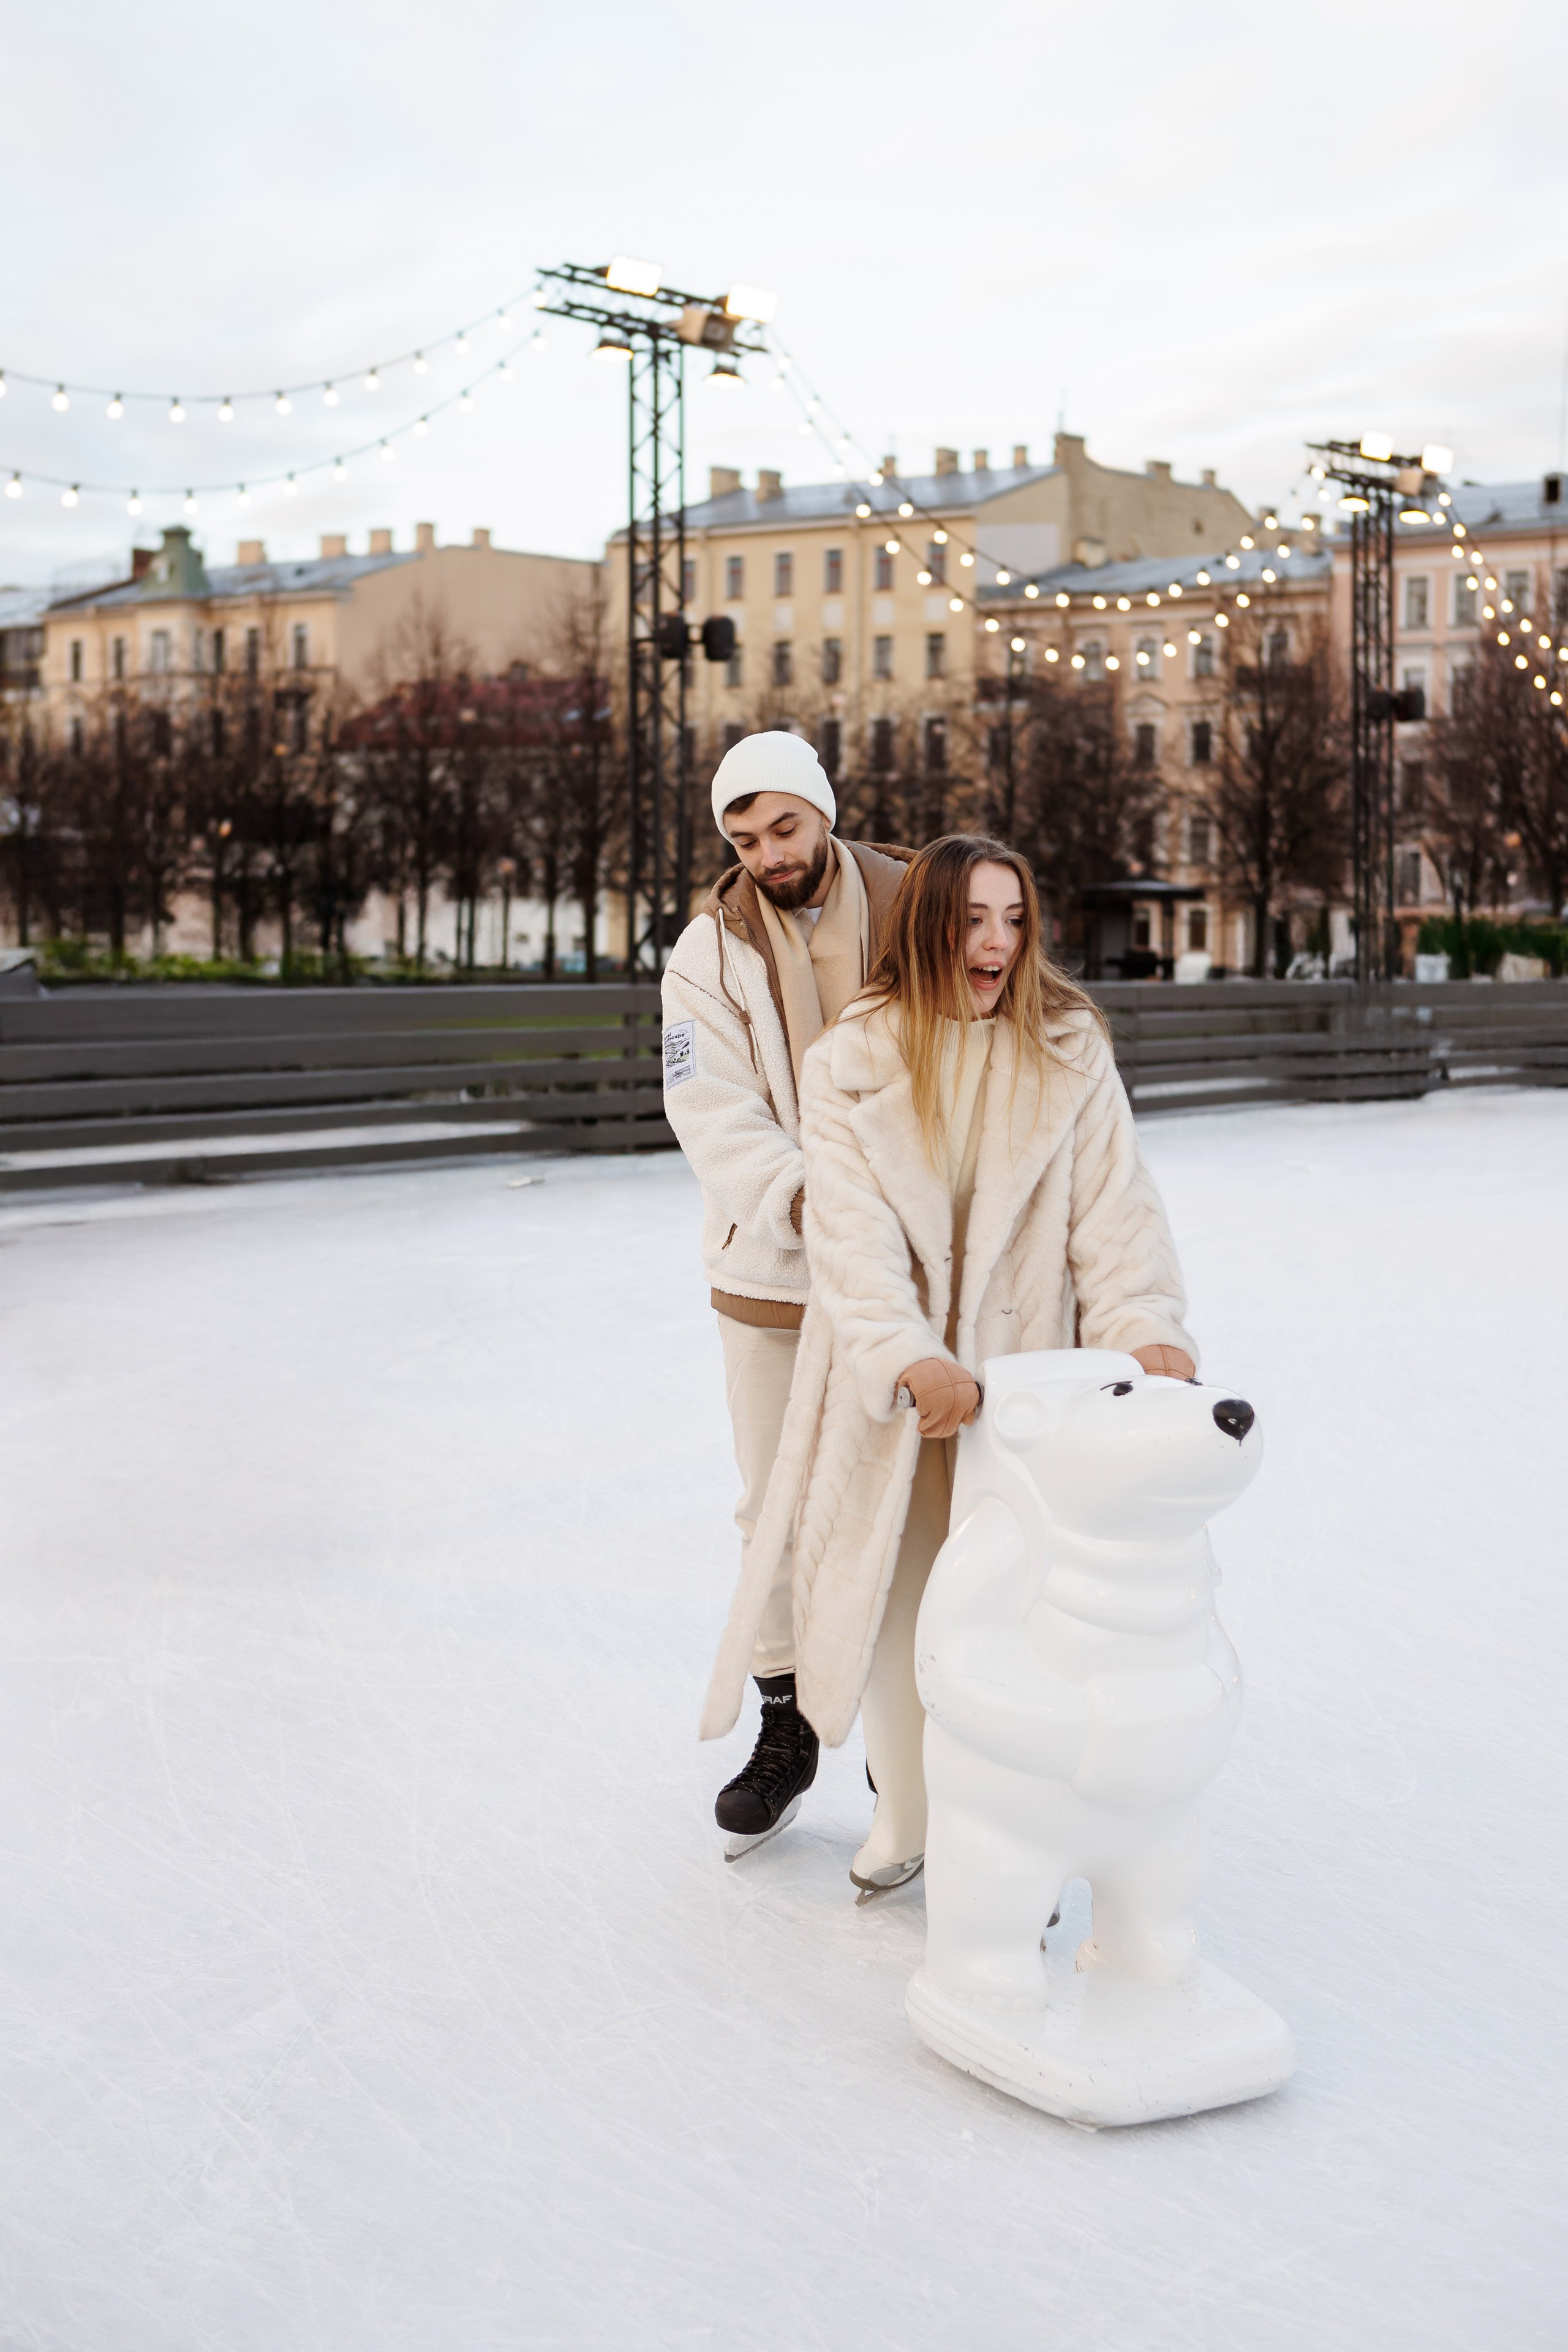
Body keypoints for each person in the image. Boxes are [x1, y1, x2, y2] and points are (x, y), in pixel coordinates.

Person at [698, 834, 1197, 1898]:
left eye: (1015, 919)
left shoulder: (1066, 1047)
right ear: (929, 924)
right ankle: (912, 1816)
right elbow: (850, 1236)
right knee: (901, 1598)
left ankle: (1016, 1830)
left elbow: (1118, 1215)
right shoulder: (854, 1059)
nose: (999, 942)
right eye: (975, 918)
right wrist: (907, 1355)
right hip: (900, 1395)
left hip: (1025, 1384)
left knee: (1019, 1613)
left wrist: (1145, 1325)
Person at [661, 730, 912, 1852]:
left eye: (784, 829)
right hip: (772, 1272)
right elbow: (710, 1110)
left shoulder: (920, 903)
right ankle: (787, 1721)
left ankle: (909, 1748)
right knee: (774, 1506)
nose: (767, 855)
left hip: (915, 1271)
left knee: (918, 1512)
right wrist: (812, 1202)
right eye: (744, 839)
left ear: (822, 808)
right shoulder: (705, 954)